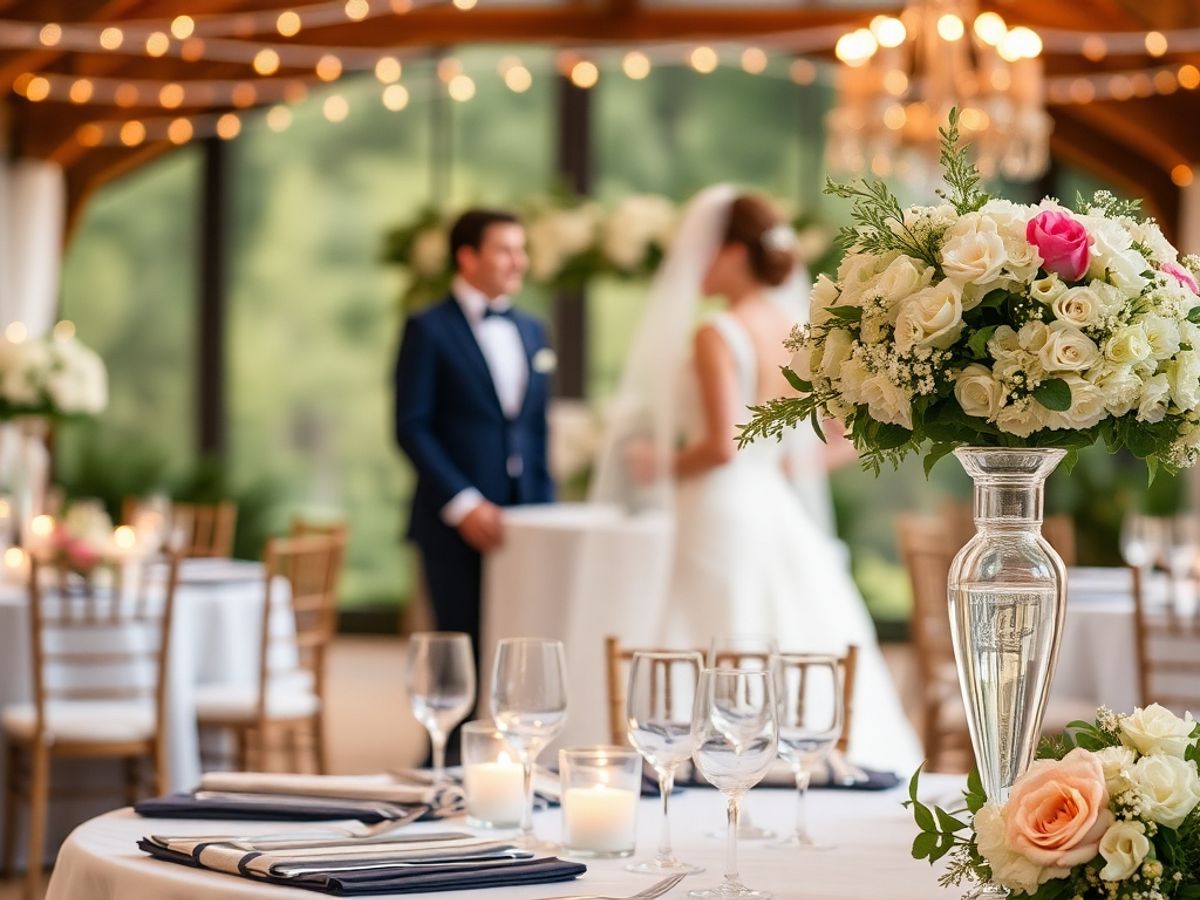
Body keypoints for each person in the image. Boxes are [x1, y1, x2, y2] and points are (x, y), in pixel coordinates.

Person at [586, 186, 921, 772]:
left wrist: (654, 463)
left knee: (719, 627)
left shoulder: (717, 333)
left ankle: (718, 760)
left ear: (736, 253)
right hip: (772, 500)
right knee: (778, 621)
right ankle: (799, 754)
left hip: (721, 504)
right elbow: (842, 431)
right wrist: (793, 461)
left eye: (704, 251)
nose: (694, 265)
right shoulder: (798, 329)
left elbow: (721, 445)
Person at [394, 209, 555, 669]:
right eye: (505, 250)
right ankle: (443, 743)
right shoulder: (427, 328)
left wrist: (545, 509)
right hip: (454, 523)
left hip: (525, 519)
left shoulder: (532, 330)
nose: (518, 261)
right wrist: (464, 504)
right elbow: (411, 426)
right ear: (467, 258)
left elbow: (536, 428)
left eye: (521, 250)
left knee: (522, 649)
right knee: (458, 650)